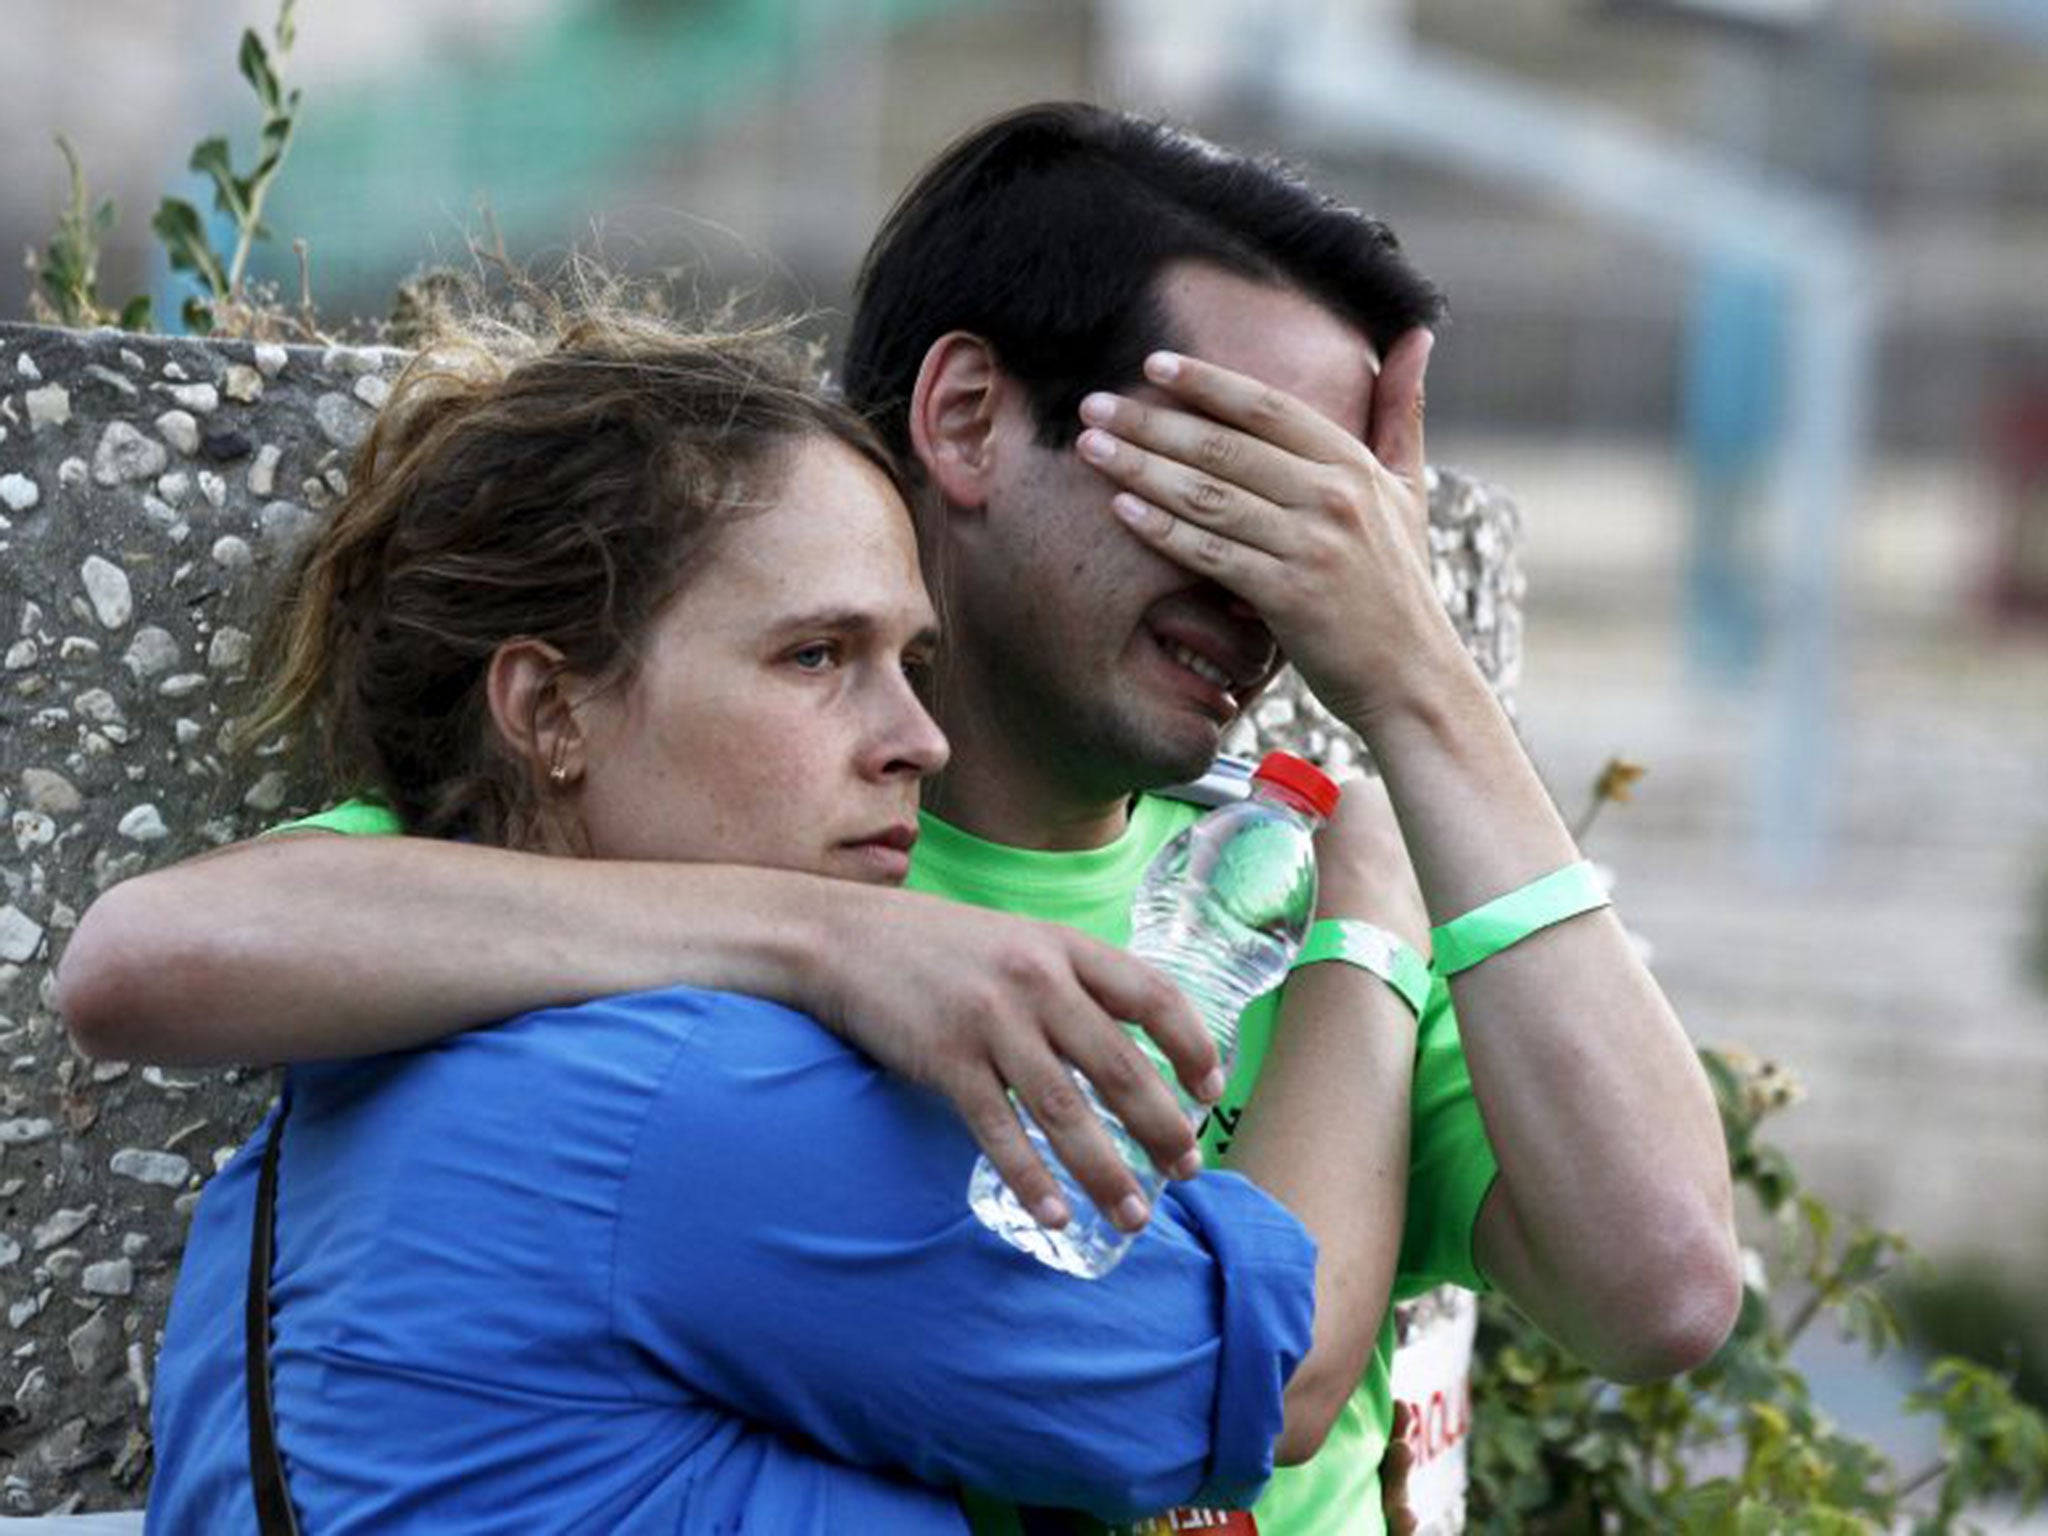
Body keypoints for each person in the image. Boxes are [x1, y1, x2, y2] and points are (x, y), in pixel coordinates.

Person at [65, 105, 1742, 1534]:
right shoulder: (697, 833)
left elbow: (1667, 1282)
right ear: (963, 418)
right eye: (1228, 480)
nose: (1277, 586)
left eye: (1333, 525)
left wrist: (1422, 690)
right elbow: (151, 957)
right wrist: (830, 940)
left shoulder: (1311, 890)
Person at [142, 307, 1340, 1534]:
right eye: (817, 656)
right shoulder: (694, 1094)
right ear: (552, 711)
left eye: (910, 665)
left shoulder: (359, 1074)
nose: (917, 740)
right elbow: (1255, 1379)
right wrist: (1369, 944)